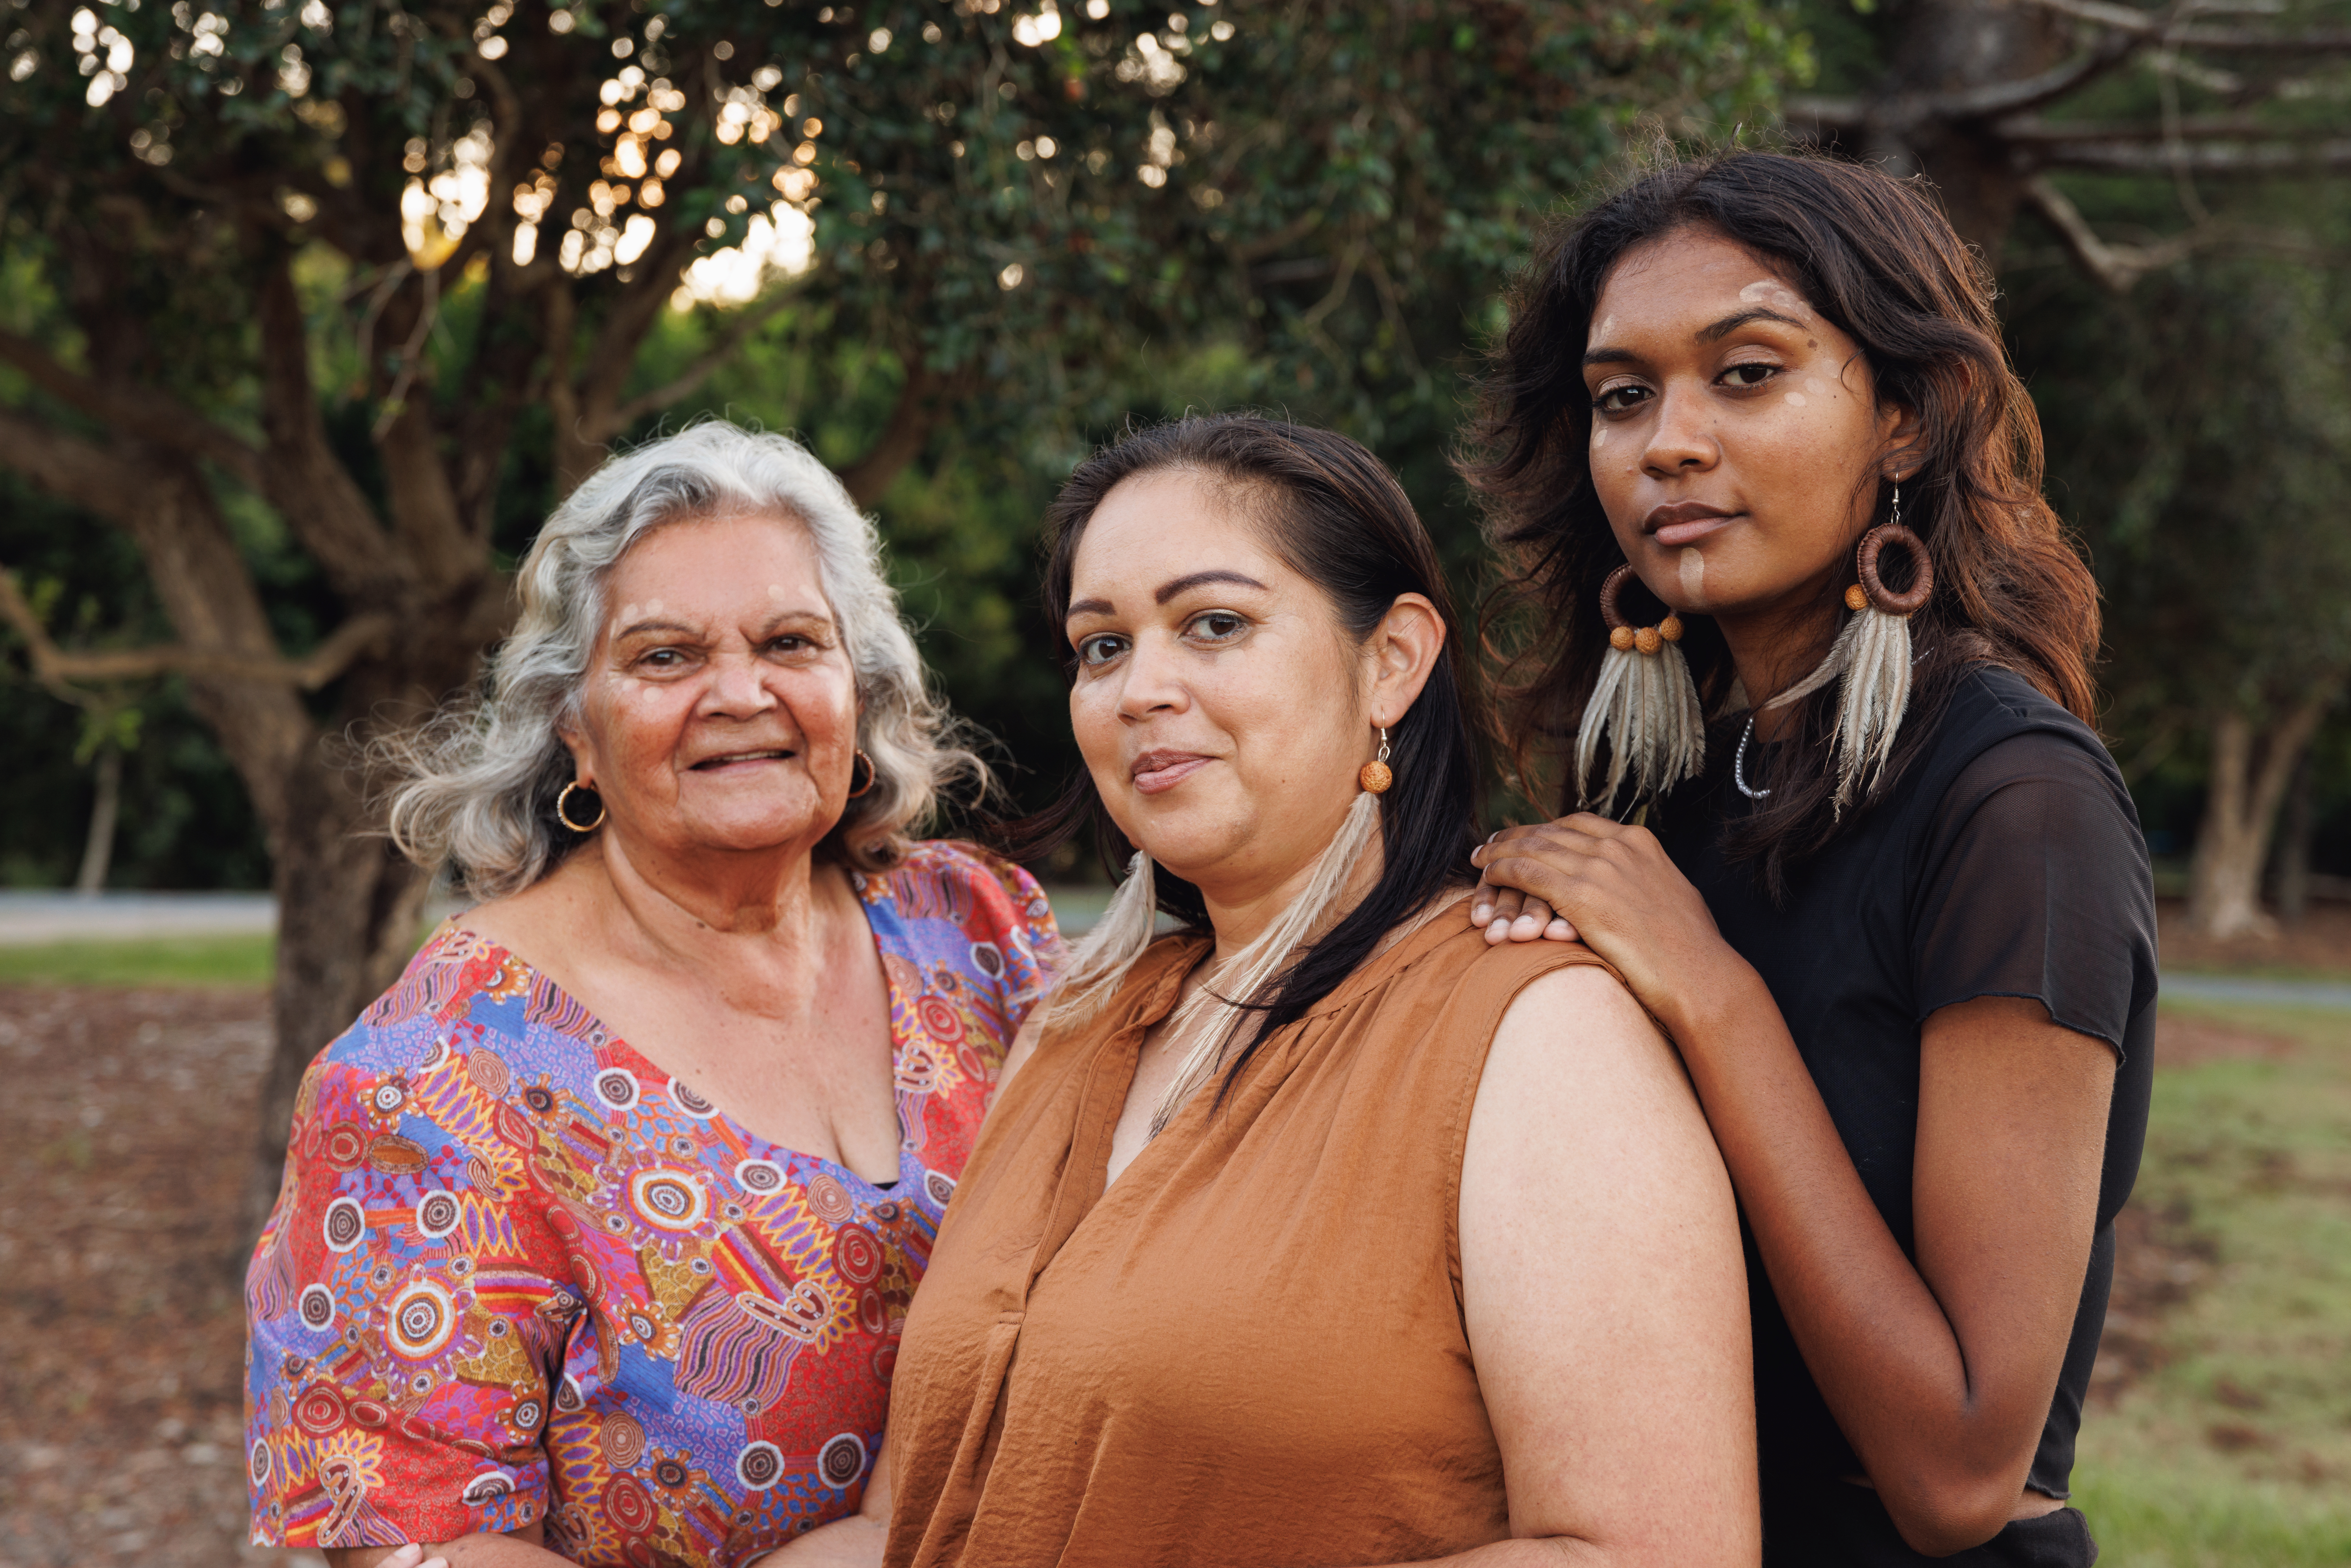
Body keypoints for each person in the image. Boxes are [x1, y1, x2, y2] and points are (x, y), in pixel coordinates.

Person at [878, 415, 1759, 1568]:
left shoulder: (1537, 1035)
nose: (1140, 687)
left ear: (1390, 659)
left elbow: (1653, 1555)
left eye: (1214, 625)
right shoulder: (1072, 1022)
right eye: (1101, 647)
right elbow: (910, 1519)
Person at [1459, 150, 2157, 1566]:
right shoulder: (1659, 793)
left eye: (1747, 372)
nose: (1666, 440)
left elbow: (1959, 1470)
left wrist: (1710, 997)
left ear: (1902, 418)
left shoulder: (2014, 807)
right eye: (1620, 396)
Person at [242, 422, 1056, 1568]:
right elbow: (411, 1541)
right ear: (575, 730)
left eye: (790, 640)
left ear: (854, 688)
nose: (739, 692)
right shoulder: (438, 1074)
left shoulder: (977, 934)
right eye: (665, 656)